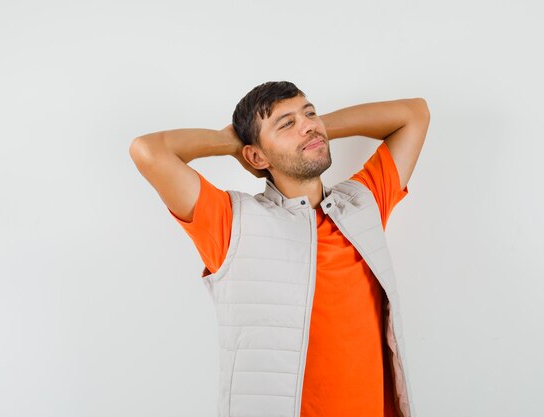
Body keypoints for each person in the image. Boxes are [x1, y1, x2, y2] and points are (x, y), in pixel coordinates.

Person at [129, 81, 430, 417]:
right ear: (256, 156)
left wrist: (310, 128)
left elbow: (414, 114)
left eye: (310, 113)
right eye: (286, 124)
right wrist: (233, 142)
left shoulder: (362, 202)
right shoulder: (233, 221)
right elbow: (148, 150)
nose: (308, 125)